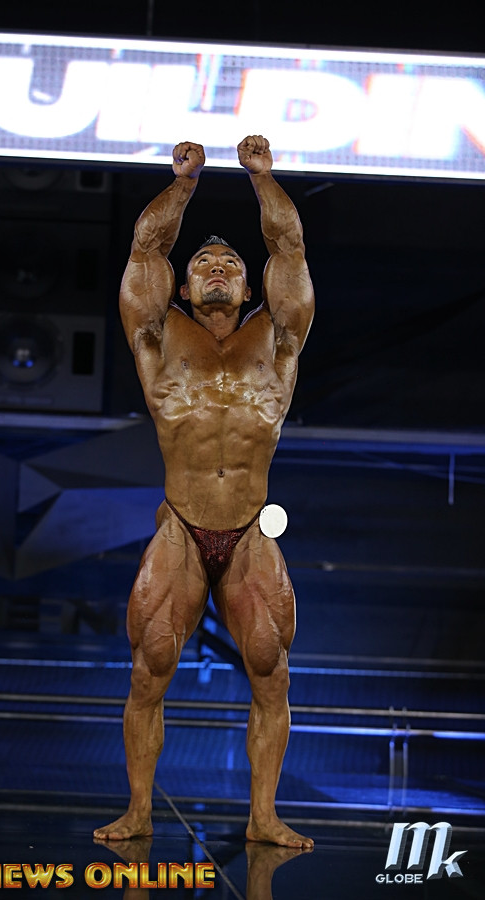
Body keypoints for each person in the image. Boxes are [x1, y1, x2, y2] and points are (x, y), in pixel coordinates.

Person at [94, 135, 315, 849]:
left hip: (248, 530)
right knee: (150, 669)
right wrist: (184, 186)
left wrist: (262, 179)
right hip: (182, 528)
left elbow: (289, 248)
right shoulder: (157, 338)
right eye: (203, 265)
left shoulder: (279, 340)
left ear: (250, 290)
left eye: (231, 266)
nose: (217, 269)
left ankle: (263, 817)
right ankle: (137, 811)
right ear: (184, 289)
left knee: (269, 671)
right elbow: (144, 251)